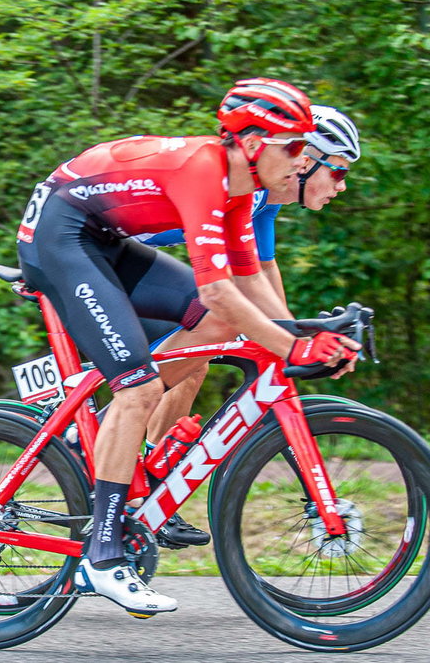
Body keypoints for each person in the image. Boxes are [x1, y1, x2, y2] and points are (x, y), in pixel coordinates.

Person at [14, 78, 360, 618]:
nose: (301, 160)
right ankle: (101, 558)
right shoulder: (205, 171)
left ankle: (117, 433)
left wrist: (305, 338)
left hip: (104, 238)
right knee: (139, 386)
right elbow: (217, 288)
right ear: (252, 144)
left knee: (218, 328)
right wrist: (293, 348)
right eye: (292, 147)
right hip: (62, 236)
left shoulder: (244, 191)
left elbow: (249, 285)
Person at [135, 105, 363, 549]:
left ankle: (151, 486)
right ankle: (129, 471)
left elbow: (261, 270)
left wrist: (294, 337)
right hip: (106, 258)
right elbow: (228, 288)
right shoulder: (242, 186)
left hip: (134, 265)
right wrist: (288, 342)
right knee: (202, 339)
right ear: (304, 158)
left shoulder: (263, 199)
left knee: (199, 352)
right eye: (337, 171)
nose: (342, 185)